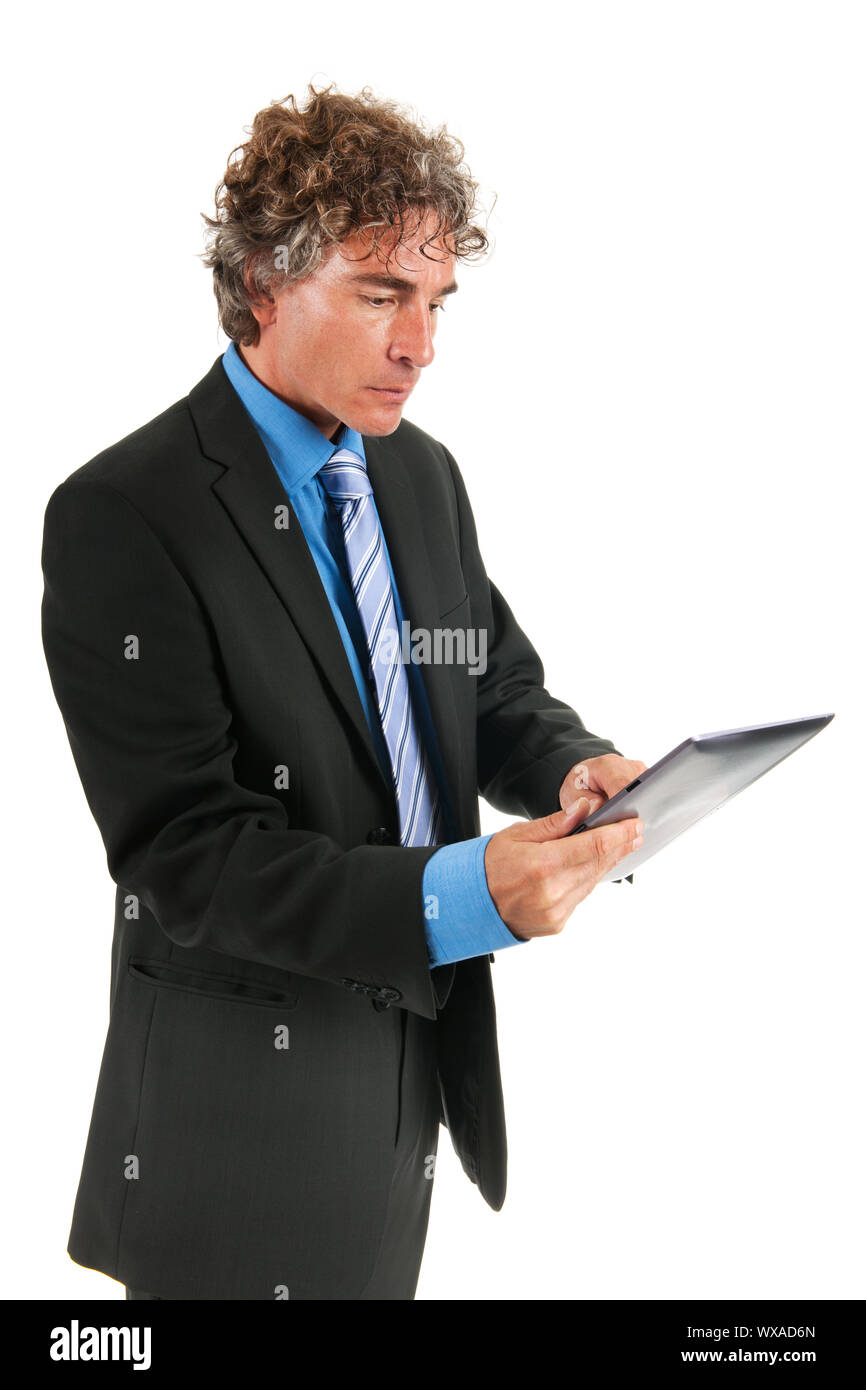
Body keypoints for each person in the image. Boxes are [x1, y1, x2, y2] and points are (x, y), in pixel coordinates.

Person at [40, 80, 645, 1302]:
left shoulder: (417, 475)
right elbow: (187, 858)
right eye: (380, 295)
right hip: (232, 1126)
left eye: (433, 301)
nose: (420, 344)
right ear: (263, 282)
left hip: (409, 1067)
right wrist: (466, 891)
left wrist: (572, 765)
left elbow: (482, 687)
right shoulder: (124, 515)